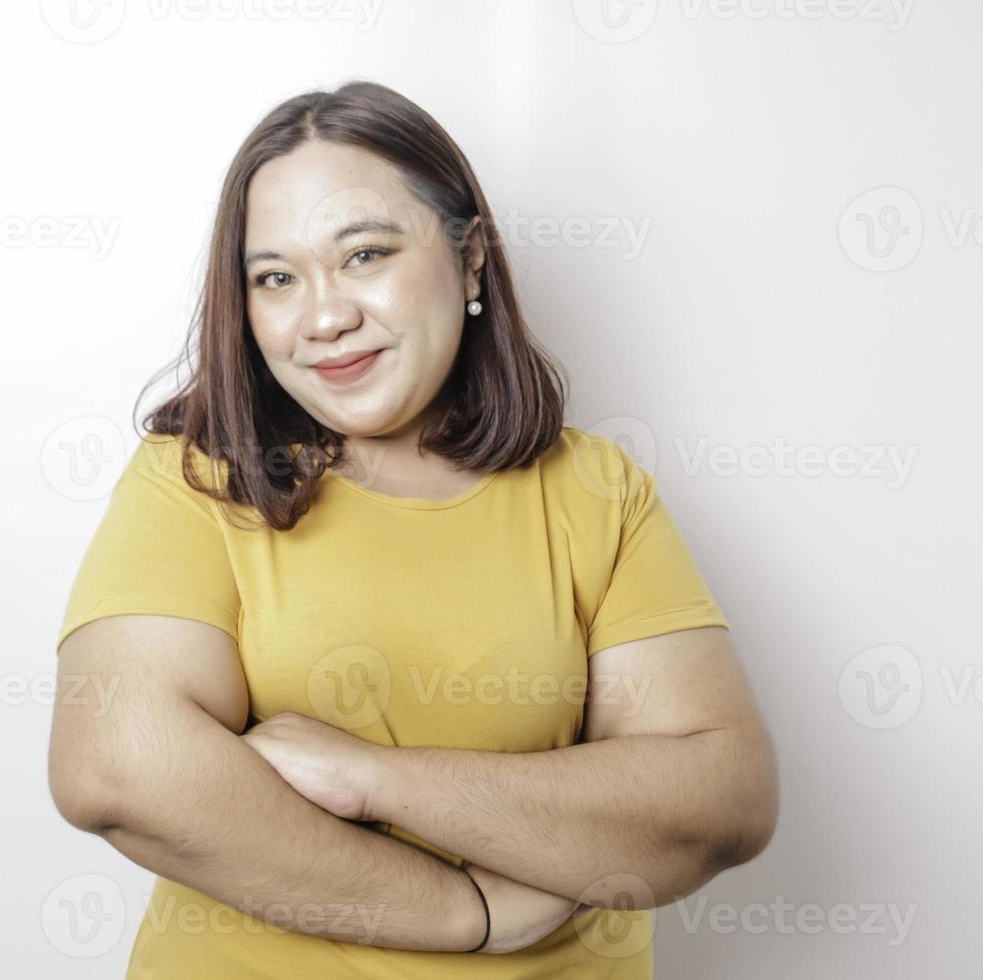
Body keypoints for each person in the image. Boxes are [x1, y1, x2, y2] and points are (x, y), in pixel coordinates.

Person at [48, 79, 778, 979]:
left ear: (471, 259)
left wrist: (372, 778)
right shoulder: (196, 480)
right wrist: (465, 911)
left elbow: (721, 802)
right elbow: (116, 769)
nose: (324, 317)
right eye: (275, 277)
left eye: (365, 255)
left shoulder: (594, 488)